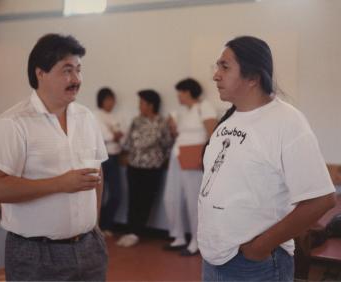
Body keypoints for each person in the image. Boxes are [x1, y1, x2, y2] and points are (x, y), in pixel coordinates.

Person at [198, 36, 336, 282]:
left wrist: (259, 247)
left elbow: (321, 199)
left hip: (254, 265)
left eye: (225, 67)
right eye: (217, 67)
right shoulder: (228, 120)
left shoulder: (286, 122)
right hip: (215, 258)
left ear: (253, 77)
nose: (216, 75)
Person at [0, 34, 109, 281]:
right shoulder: (13, 124)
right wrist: (60, 184)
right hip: (36, 254)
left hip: (89, 247)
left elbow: (96, 175)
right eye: (67, 71)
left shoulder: (86, 118)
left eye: (79, 70)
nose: (76, 79)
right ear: (40, 73)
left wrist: (94, 225)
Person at [163, 78, 217, 256]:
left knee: (193, 200)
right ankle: (178, 236)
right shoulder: (183, 112)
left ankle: (196, 241)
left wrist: (204, 160)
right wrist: (171, 127)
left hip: (193, 157)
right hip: (177, 156)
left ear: (188, 92)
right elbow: (177, 135)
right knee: (171, 197)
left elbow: (212, 135)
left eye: (180, 92)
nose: (178, 96)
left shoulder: (205, 107)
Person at [116, 89, 173, 247]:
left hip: (152, 168)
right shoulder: (136, 121)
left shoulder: (161, 122)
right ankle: (129, 230)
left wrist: (162, 161)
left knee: (145, 200)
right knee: (133, 199)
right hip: (134, 166)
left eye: (141, 102)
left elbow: (167, 144)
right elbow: (127, 143)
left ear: (151, 105)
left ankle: (136, 232)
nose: (139, 106)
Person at [94, 87, 123, 236]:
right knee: (100, 193)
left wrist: (115, 136)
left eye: (113, 99)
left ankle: (106, 224)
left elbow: (120, 136)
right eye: (109, 99)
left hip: (115, 156)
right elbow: (106, 136)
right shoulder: (96, 115)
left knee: (116, 193)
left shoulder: (113, 116)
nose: (112, 102)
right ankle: (97, 226)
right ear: (102, 100)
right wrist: (114, 136)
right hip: (103, 158)